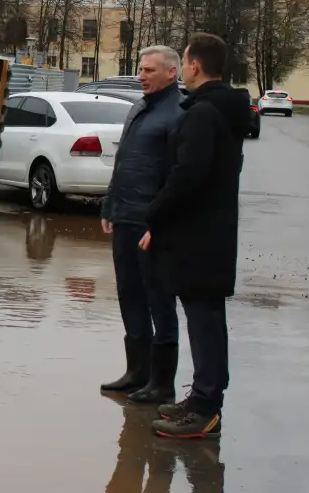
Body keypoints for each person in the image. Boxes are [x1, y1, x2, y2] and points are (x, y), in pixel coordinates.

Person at [140, 33, 251, 440]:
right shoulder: (220, 109)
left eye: (185, 61)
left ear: (194, 66)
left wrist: (154, 215)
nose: (185, 68)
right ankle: (203, 397)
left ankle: (205, 408)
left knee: (204, 321)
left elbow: (188, 176)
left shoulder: (205, 113)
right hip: (209, 234)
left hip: (200, 237)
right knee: (205, 319)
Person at [99, 46, 184, 404]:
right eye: (140, 69)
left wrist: (162, 223)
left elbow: (178, 175)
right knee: (129, 295)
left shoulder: (180, 113)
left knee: (158, 301)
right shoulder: (138, 108)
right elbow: (123, 160)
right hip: (125, 219)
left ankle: (161, 382)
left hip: (154, 226)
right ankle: (137, 372)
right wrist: (109, 205)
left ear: (172, 73)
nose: (141, 75)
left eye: (149, 70)